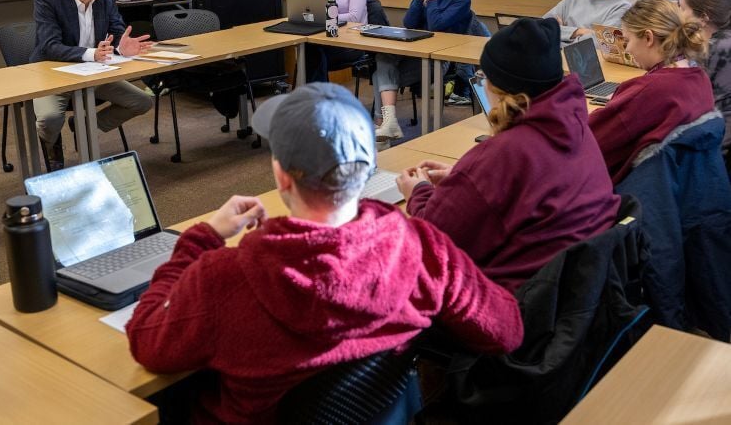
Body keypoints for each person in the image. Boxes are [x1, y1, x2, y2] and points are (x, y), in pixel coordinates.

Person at [126, 82, 524, 423]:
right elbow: (505, 331)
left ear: (281, 175)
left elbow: (148, 344)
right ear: (369, 167)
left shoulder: (223, 276)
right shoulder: (421, 246)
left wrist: (200, 239)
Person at [396, 18, 621, 293]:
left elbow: (434, 236)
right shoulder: (575, 125)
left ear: (498, 87)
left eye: (484, 76)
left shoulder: (505, 153)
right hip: (573, 295)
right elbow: (519, 192)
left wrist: (417, 191)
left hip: (507, 302)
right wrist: (462, 182)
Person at [30, 0, 153, 170]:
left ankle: (83, 126)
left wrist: (121, 46)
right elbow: (49, 47)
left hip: (93, 72)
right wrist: (91, 54)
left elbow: (115, 27)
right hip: (53, 73)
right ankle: (52, 144)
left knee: (142, 101)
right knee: (49, 119)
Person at [589, 0, 716, 184]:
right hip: (686, 190)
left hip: (635, 194)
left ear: (648, 38)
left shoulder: (650, 91)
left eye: (628, 40)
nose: (628, 50)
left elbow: (589, 142)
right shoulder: (699, 77)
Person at [373, 0, 473, 142]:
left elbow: (436, 25)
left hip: (437, 60)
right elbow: (408, 23)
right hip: (414, 53)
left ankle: (384, 125)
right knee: (383, 58)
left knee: (380, 76)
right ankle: (388, 124)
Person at [680, 0, 731, 153]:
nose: (680, 15)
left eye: (683, 8)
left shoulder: (715, 49)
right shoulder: (724, 41)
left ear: (703, 18)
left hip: (719, 149)